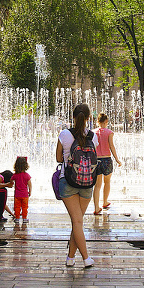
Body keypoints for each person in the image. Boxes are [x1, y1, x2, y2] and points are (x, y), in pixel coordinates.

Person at [56, 103, 97, 268]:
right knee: (78, 221)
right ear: (88, 118)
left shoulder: (64, 134)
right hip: (87, 183)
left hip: (68, 181)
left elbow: (59, 159)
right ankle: (70, 257)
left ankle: (85, 258)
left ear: (73, 117)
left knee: (76, 221)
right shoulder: (92, 136)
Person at [92, 112, 122, 214]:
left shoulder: (93, 132)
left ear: (97, 122)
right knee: (107, 182)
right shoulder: (109, 132)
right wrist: (117, 159)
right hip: (107, 159)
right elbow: (111, 146)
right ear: (106, 122)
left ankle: (96, 207)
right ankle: (105, 202)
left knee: (97, 185)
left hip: (96, 160)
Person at [10, 156, 32, 223]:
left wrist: (11, 183)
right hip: (25, 195)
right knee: (25, 207)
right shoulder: (27, 175)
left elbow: (11, 180)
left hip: (17, 194)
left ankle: (17, 218)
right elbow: (29, 184)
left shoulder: (15, 175)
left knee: (17, 207)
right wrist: (30, 191)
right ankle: (24, 218)